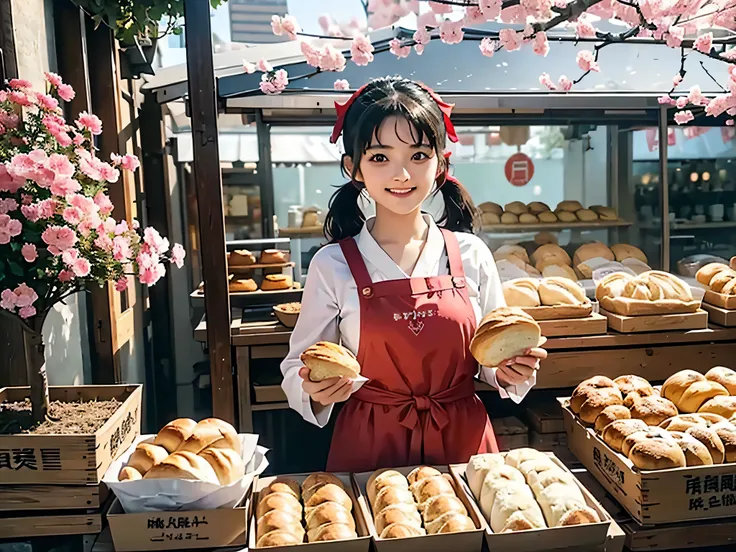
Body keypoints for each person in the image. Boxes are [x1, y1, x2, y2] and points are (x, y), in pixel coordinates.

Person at [280, 76, 546, 472]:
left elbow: (492, 355)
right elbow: (298, 365)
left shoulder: (470, 254)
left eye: (418, 155)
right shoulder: (332, 265)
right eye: (380, 157)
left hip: (464, 443)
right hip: (369, 446)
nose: (402, 174)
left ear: (440, 164)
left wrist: (510, 371)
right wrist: (315, 389)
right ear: (354, 168)